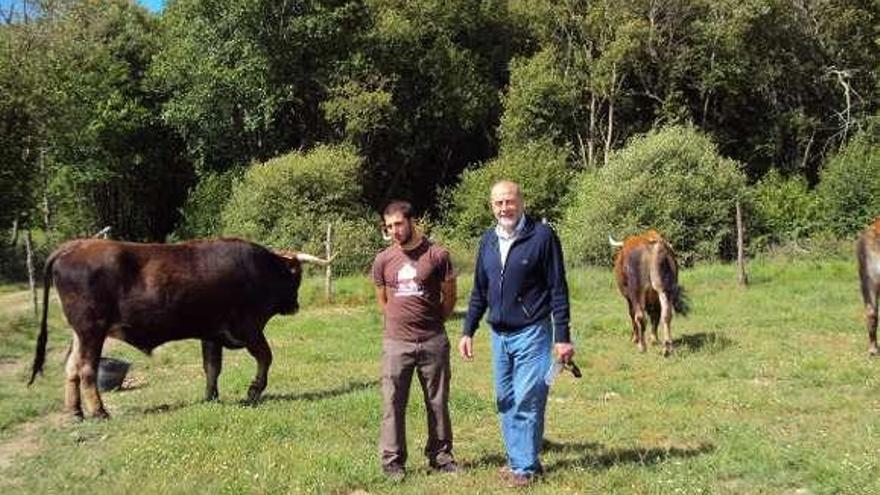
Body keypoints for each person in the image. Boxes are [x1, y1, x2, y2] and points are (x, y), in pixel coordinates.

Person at [459, 180, 575, 487]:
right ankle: (519, 460)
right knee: (505, 399)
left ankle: (524, 468)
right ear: (491, 206)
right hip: (498, 334)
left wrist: (562, 336)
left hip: (533, 331)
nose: (504, 208)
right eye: (498, 203)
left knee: (528, 399)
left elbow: (558, 289)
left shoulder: (542, 236)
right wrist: (468, 329)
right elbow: (479, 291)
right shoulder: (487, 240)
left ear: (521, 202)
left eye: (509, 201)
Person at [371, 200, 459, 481]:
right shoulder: (383, 259)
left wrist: (432, 325)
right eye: (389, 226)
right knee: (392, 402)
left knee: (437, 401)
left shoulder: (437, 254)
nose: (394, 230)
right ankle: (393, 462)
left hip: (433, 340)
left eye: (398, 224)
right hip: (396, 343)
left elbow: (450, 298)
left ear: (411, 221)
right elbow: (382, 299)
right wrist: (400, 325)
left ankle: (441, 456)